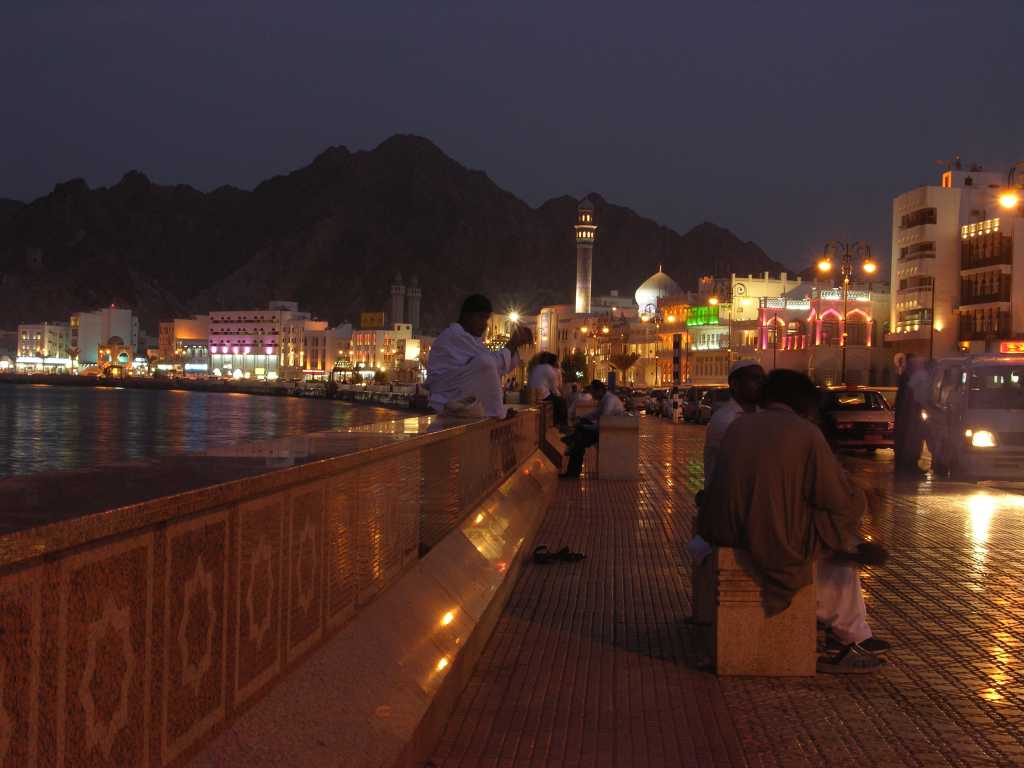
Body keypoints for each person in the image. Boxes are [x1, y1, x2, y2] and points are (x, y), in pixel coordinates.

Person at [699, 369, 889, 674]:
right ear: (804, 403)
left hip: (725, 529)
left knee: (830, 537)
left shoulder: (738, 426)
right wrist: (861, 499)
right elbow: (836, 498)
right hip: (761, 538)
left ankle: (848, 630)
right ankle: (848, 637)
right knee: (837, 546)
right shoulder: (804, 432)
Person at [425, 294, 533, 418]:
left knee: (486, 362)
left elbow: (497, 368)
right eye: (481, 318)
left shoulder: (471, 339)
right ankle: (497, 414)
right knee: (485, 362)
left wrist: (514, 345)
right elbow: (491, 364)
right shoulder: (455, 335)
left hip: (455, 392)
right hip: (446, 394)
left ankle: (495, 412)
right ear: (467, 316)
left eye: (486, 319)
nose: (485, 324)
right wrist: (513, 343)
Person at [703, 360, 766, 487]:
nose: (761, 384)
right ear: (735, 384)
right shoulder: (724, 419)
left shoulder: (763, 414)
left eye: (762, 379)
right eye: (754, 378)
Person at [560, 379, 625, 478]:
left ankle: (572, 441)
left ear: (599, 390)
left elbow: (602, 423)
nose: (592, 395)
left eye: (593, 392)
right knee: (580, 433)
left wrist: (584, 426)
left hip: (611, 431)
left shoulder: (609, 401)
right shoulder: (605, 399)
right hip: (607, 429)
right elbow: (595, 413)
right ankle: (573, 439)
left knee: (579, 441)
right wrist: (581, 418)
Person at [894, 354, 927, 476]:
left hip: (910, 416)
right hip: (909, 417)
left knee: (913, 441)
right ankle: (908, 466)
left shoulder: (908, 378)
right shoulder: (908, 379)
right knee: (910, 441)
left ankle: (909, 465)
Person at [529, 352, 568, 428]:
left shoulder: (536, 367)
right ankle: (561, 425)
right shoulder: (549, 369)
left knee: (557, 400)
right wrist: (561, 397)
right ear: (553, 361)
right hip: (542, 395)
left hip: (532, 394)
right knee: (561, 402)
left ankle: (556, 424)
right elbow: (554, 389)